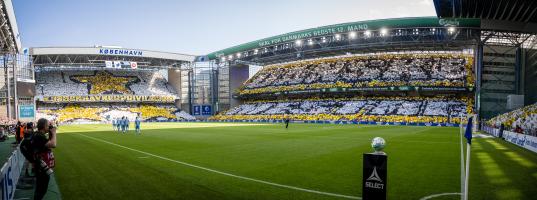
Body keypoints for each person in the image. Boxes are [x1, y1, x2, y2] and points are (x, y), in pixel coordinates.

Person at [33, 118, 56, 200]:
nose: (49, 127)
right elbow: (53, 144)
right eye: (47, 125)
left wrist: (50, 134)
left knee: (41, 188)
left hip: (40, 165)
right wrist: (54, 133)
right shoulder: (39, 136)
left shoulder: (38, 135)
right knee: (41, 189)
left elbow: (47, 143)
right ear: (44, 126)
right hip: (41, 167)